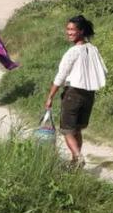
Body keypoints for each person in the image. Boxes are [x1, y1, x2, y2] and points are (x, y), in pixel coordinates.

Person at [44, 15, 107, 167]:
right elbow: (103, 71)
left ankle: (78, 157)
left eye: (72, 29)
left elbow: (60, 76)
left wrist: (50, 96)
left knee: (66, 130)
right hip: (89, 95)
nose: (69, 32)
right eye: (68, 29)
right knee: (77, 129)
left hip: (73, 94)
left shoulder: (73, 52)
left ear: (81, 31)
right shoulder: (93, 49)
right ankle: (74, 160)